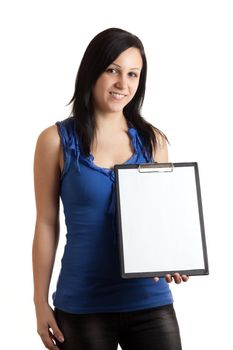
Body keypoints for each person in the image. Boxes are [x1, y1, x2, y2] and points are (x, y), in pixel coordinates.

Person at [32, 27, 189, 350]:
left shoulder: (152, 141)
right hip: (82, 306)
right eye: (112, 70)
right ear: (92, 70)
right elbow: (46, 223)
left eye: (133, 74)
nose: (123, 84)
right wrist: (39, 302)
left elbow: (162, 221)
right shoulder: (54, 141)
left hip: (150, 302)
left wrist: (175, 255)